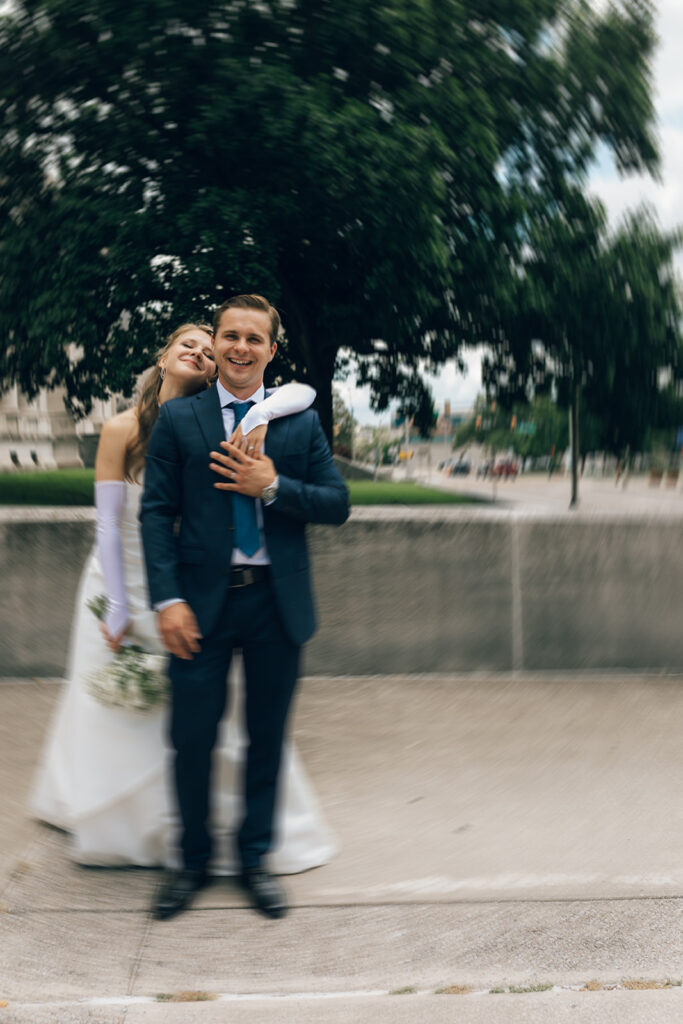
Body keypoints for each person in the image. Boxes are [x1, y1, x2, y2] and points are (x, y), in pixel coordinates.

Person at [32, 322, 335, 876]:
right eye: (186, 345)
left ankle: (239, 844)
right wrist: (120, 604)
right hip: (123, 578)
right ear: (165, 356)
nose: (198, 352)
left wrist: (263, 417)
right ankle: (124, 819)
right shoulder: (125, 428)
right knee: (136, 714)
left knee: (226, 720)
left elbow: (299, 394)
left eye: (205, 346)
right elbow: (110, 523)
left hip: (199, 585)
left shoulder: (222, 417)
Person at [140, 294, 349, 921]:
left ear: (271, 350)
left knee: (266, 739)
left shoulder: (297, 424)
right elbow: (156, 514)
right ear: (218, 340)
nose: (238, 348)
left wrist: (274, 486)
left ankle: (255, 860)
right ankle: (192, 863)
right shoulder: (181, 419)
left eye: (253, 339)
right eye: (229, 335)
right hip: (198, 608)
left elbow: (335, 504)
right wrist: (168, 598)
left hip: (274, 606)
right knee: (192, 738)